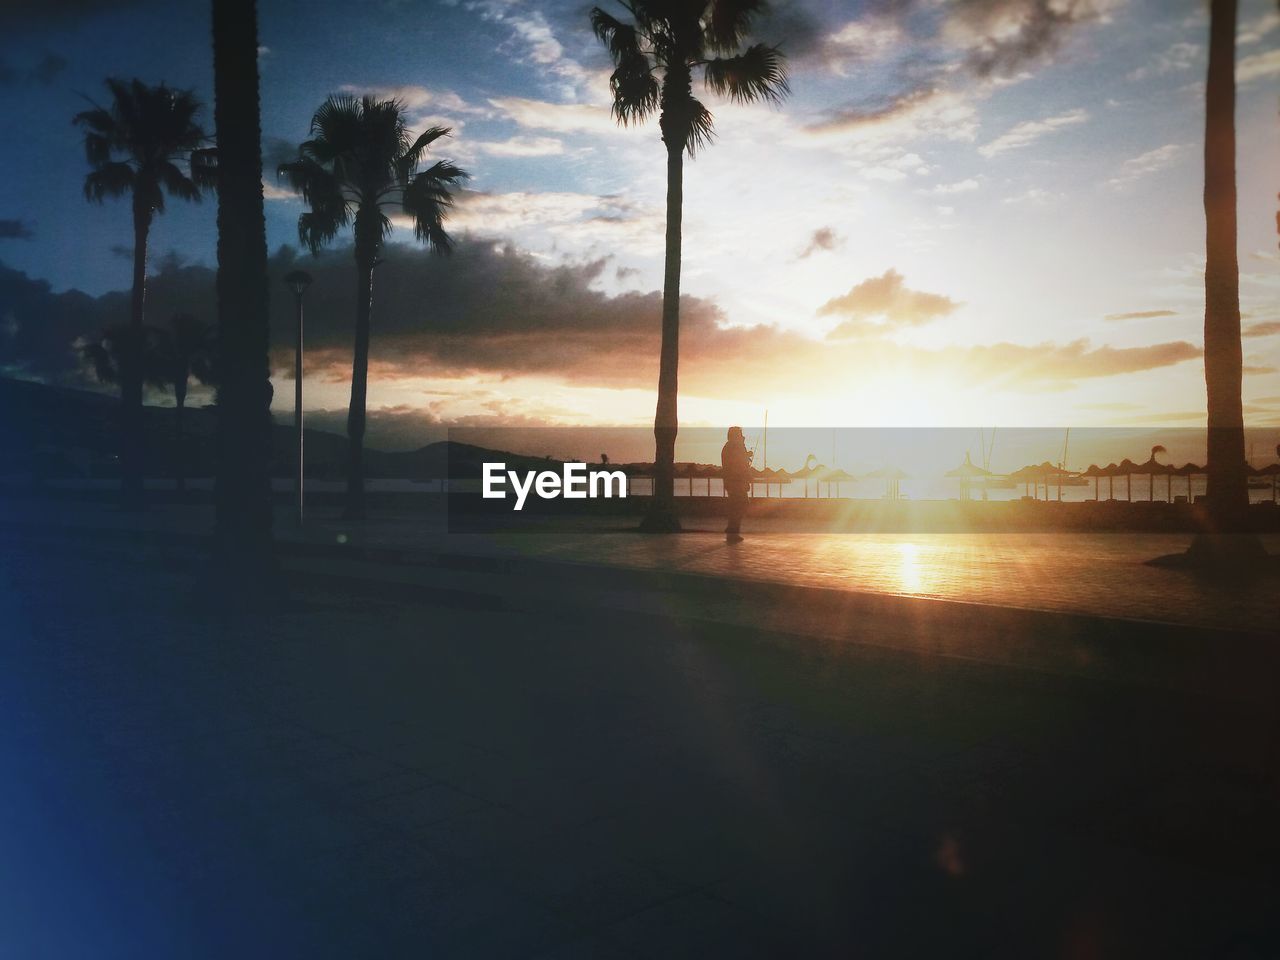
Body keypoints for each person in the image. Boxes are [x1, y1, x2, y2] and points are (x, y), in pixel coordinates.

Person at [721, 426, 752, 543]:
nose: (742, 436)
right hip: (736, 481)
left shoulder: (728, 447)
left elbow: (738, 461)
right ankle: (732, 530)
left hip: (732, 481)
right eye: (740, 434)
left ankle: (732, 529)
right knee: (740, 504)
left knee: (737, 505)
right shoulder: (735, 447)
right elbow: (739, 463)